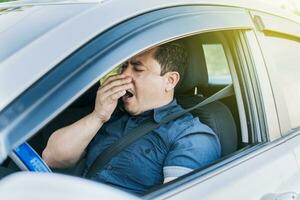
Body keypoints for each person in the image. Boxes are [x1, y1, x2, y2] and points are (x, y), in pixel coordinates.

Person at [42, 43, 221, 195]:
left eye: (137, 69)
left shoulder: (191, 135)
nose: (124, 76)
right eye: (123, 67)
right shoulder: (110, 114)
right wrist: (98, 116)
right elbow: (52, 158)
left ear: (170, 81)